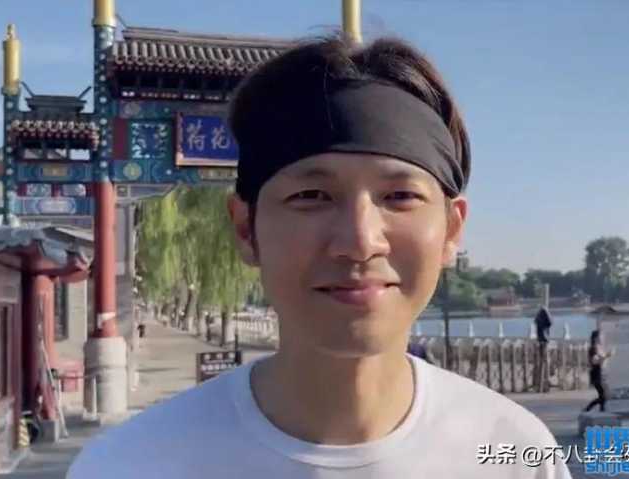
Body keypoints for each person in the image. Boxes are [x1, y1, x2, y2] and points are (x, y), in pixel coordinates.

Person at [68, 36, 571, 478]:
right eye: (311, 196)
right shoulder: (131, 465)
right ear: (246, 228)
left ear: (451, 230)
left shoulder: (515, 451)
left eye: (400, 197)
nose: (360, 240)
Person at [584, 330, 613, 413]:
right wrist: (607, 355)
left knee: (604, 395)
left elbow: (601, 361)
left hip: (600, 373)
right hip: (596, 374)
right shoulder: (594, 348)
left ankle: (600, 410)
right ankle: (588, 408)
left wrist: (607, 356)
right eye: (601, 336)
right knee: (604, 395)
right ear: (596, 338)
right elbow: (594, 361)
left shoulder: (599, 348)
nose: (603, 338)